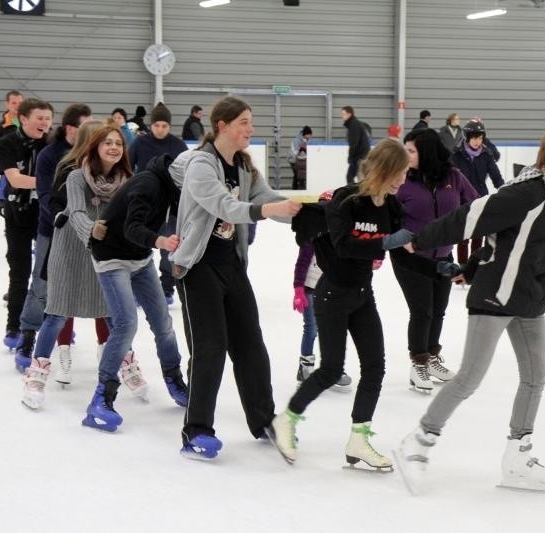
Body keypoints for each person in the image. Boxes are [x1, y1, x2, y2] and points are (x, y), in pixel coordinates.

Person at [393, 128, 545, 495]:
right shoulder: (526, 193)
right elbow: (470, 217)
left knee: (535, 377)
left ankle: (518, 456)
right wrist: (419, 240)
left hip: (530, 299)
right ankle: (417, 444)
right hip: (496, 296)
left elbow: (509, 243)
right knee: (469, 377)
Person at [168, 96, 302, 460]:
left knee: (250, 346)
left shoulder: (243, 166)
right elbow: (224, 206)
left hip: (231, 265)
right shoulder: (201, 164)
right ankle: (196, 431)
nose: (251, 128)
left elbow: (267, 198)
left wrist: (306, 213)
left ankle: (263, 420)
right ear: (222, 125)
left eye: (251, 121)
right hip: (197, 268)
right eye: (244, 121)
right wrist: (265, 210)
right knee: (209, 350)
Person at [271, 138, 413, 470]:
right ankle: (286, 420)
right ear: (381, 169)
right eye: (398, 174)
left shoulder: (390, 207)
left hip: (363, 295)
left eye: (405, 174)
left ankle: (358, 440)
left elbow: (402, 248)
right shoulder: (345, 199)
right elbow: (345, 245)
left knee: (375, 368)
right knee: (331, 369)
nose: (402, 181)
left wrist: (437, 268)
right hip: (332, 295)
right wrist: (385, 242)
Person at [21, 121, 128, 409]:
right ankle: (45, 362)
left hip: (101, 249)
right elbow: (59, 203)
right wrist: (60, 217)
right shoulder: (71, 172)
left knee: (109, 309)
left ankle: (119, 357)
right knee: (59, 307)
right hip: (69, 244)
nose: (112, 147)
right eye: (105, 141)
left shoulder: (121, 176)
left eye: (116, 142)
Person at [82, 152, 190, 433]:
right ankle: (101, 397)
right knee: (126, 323)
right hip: (111, 258)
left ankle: (174, 379)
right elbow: (132, 228)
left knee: (163, 323)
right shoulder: (148, 184)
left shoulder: (172, 189)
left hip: (140, 258)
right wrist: (161, 241)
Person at [394, 128, 478, 393]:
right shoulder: (402, 179)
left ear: (427, 152)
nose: (405, 155)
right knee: (422, 311)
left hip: (443, 255)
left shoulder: (453, 176)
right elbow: (386, 214)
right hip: (410, 258)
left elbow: (475, 204)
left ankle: (431, 357)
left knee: (439, 310)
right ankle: (417, 362)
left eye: (411, 150)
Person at [13, 103, 94, 372]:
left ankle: (69, 334)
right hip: (54, 230)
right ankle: (28, 334)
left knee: (92, 285)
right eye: (85, 125)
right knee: (42, 285)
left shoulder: (91, 153)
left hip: (87, 231)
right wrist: (64, 216)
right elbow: (45, 193)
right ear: (71, 128)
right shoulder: (50, 155)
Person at [0, 98, 54, 353]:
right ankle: (14, 326)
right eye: (40, 118)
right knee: (19, 271)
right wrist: (50, 181)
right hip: (18, 215)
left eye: (48, 118)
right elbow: (15, 179)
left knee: (47, 274)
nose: (45, 123)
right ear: (24, 118)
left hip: (47, 216)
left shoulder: (53, 145)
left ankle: (53, 323)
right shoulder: (6, 142)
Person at [291, 191, 352, 393]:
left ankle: (333, 368)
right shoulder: (311, 238)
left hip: (334, 290)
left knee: (335, 329)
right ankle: (305, 367)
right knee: (312, 328)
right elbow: (301, 265)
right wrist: (299, 289)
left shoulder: (343, 235)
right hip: (312, 290)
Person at [128, 102, 188, 306]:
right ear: (151, 125)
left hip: (170, 206)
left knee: (168, 248)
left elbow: (187, 175)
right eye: (156, 125)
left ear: (170, 126)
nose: (160, 129)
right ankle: (137, 289)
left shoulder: (178, 146)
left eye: (164, 125)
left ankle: (166, 289)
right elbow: (127, 167)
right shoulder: (140, 143)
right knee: (138, 245)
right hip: (144, 201)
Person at [452, 119, 504, 265]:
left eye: (480, 138)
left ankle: (472, 268)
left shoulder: (486, 154)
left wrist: (505, 191)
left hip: (480, 198)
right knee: (463, 237)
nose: (477, 141)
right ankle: (462, 267)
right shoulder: (456, 155)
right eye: (474, 137)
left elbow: (496, 176)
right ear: (467, 137)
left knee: (478, 236)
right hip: (461, 200)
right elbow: (449, 177)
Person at [0, 90, 24, 191]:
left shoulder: (30, 123)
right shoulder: (1, 128)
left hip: (28, 170)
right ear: (7, 104)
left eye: (20, 103)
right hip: (10, 171)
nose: (17, 106)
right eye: (14, 103)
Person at [341, 106, 371, 185]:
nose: (342, 116)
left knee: (355, 177)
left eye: (344, 114)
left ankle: (357, 194)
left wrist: (351, 158)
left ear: (349, 114)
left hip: (360, 157)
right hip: (361, 155)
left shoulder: (353, 125)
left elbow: (354, 144)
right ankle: (357, 193)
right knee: (357, 177)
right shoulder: (354, 123)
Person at [288, 125, 312, 190]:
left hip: (302, 161)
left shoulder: (308, 141)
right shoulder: (296, 140)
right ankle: (295, 189)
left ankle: (301, 189)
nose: (310, 136)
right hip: (293, 161)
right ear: (305, 134)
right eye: (309, 134)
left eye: (310, 135)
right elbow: (294, 152)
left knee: (301, 176)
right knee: (297, 175)